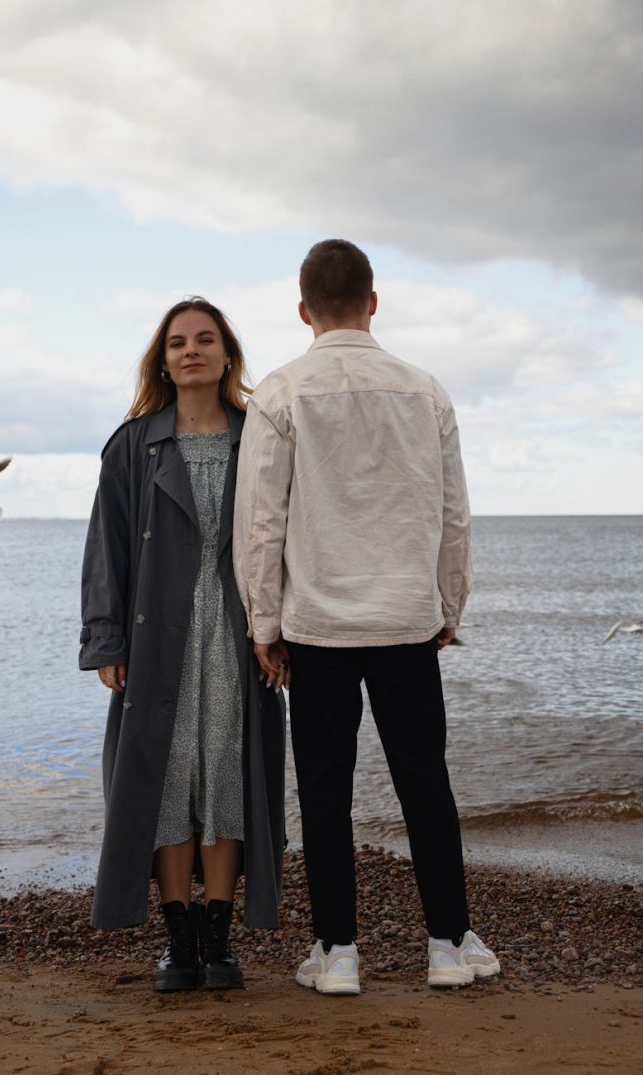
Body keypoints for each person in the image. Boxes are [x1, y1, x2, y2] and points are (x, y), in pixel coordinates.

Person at [233, 239, 499, 994]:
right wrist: (451, 602)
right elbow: (454, 513)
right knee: (425, 781)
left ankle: (338, 950)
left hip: (317, 626)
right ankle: (448, 942)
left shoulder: (281, 393)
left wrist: (263, 624)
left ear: (303, 309)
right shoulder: (425, 390)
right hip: (406, 621)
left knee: (324, 788)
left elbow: (261, 523)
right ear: (373, 301)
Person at [80, 297, 285, 993]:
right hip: (157, 636)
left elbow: (286, 538)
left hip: (236, 636)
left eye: (205, 339)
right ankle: (178, 938)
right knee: (167, 779)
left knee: (226, 774)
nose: (191, 350)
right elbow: (105, 549)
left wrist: (280, 628)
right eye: (177, 342)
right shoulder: (133, 445)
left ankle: (219, 934)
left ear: (228, 355)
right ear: (162, 361)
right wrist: (107, 638)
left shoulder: (259, 437)